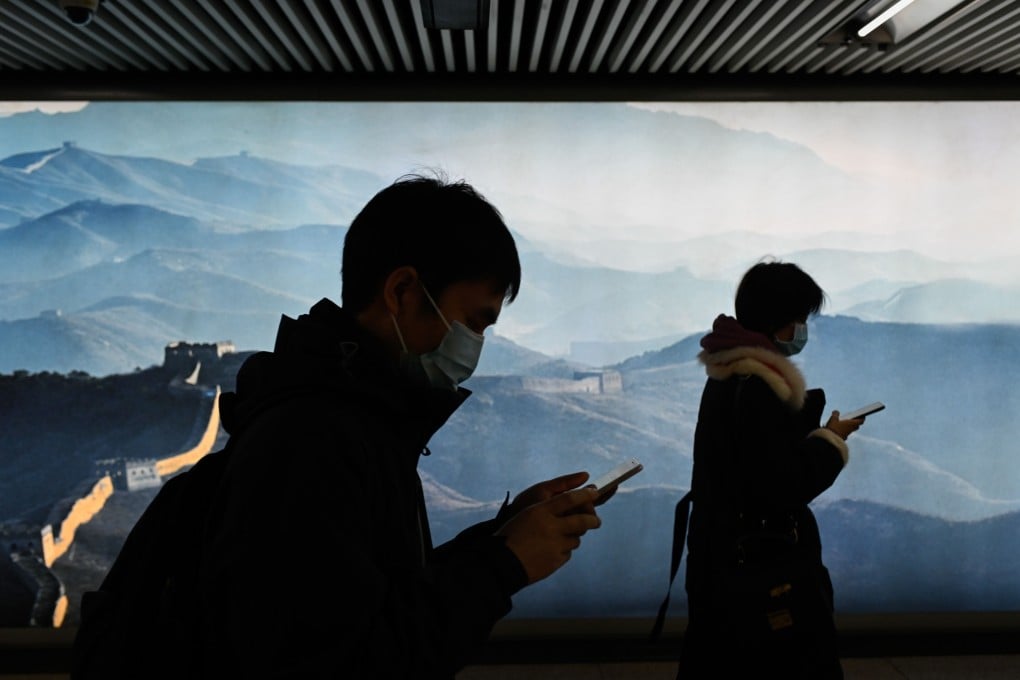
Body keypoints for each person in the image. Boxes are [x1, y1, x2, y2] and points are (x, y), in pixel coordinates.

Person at [196, 175, 604, 677]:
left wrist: (501, 538)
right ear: (403, 291)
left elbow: (378, 594)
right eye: (473, 322)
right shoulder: (314, 441)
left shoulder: (358, 419)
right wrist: (502, 567)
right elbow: (348, 660)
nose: (474, 345)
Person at [677, 260, 862, 678]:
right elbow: (781, 484)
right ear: (778, 322)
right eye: (798, 319)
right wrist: (831, 441)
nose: (802, 330)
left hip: (718, 556)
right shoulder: (759, 386)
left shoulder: (728, 372)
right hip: (762, 569)